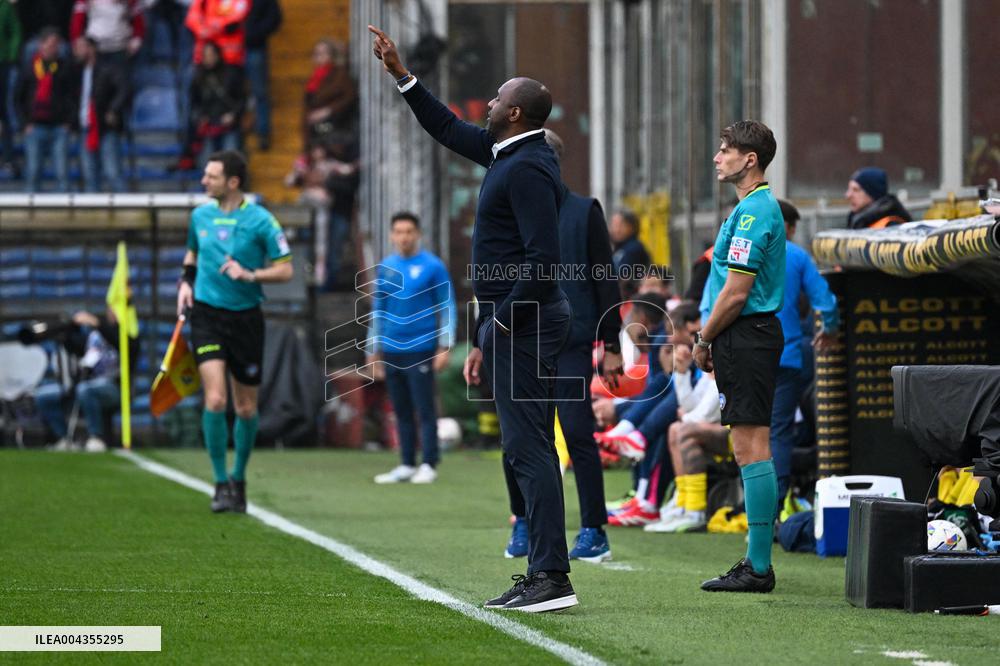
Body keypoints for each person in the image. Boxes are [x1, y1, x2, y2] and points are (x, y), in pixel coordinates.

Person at [370, 24, 577, 613]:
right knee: (522, 449)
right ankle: (544, 570)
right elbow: (444, 127)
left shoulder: (532, 166)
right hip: (510, 325)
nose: (483, 105)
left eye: (493, 99)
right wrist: (403, 75)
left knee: (530, 448)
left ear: (514, 112)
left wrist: (501, 322)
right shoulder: (507, 152)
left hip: (528, 323)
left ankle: (551, 576)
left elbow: (543, 261)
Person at [501, 128, 623, 563]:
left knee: (575, 430)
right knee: (518, 437)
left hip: (570, 342)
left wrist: (612, 344)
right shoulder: (511, 212)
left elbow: (605, 279)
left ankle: (593, 529)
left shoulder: (583, 210)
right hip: (519, 340)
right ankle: (523, 522)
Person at [693, 119, 785, 593]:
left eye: (725, 149)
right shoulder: (752, 207)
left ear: (750, 159)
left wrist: (703, 338)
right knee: (747, 445)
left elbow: (735, 293)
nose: (717, 156)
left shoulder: (753, 213)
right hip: (744, 337)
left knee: (752, 445)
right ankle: (756, 561)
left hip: (746, 334)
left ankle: (759, 567)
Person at [176, 150, 294, 514]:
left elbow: (285, 269)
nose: (203, 181)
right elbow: (192, 254)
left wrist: (250, 275)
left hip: (245, 318)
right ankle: (219, 482)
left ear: (232, 182)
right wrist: (185, 283)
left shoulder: (262, 221)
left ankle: (239, 479)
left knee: (245, 406)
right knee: (215, 399)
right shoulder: (200, 216)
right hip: (207, 315)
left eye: (210, 176)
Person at [366, 211, 457, 485]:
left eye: (409, 231)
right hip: (392, 347)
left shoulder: (433, 266)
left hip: (421, 346)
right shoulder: (386, 267)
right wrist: (372, 348)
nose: (404, 237)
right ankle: (406, 462)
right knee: (401, 408)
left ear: (417, 234)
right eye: (399, 232)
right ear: (392, 236)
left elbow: (447, 305)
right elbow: (378, 309)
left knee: (424, 407)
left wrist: (445, 345)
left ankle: (429, 462)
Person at [772, 200, 838, 502]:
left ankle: (752, 506)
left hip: (744, 356)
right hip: (784, 354)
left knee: (748, 431)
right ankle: (778, 504)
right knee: (779, 430)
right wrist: (830, 328)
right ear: (788, 227)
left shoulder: (739, 252)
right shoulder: (796, 256)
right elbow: (825, 299)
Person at [33, 309, 139, 453]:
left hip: (115, 388)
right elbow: (76, 347)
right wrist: (67, 331)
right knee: (43, 396)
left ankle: (96, 437)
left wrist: (96, 323)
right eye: (112, 309)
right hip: (83, 387)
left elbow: (119, 342)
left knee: (85, 389)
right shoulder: (94, 335)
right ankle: (63, 438)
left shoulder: (129, 335)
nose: (114, 312)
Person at [15, 27, 74, 193]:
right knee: (33, 172)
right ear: (41, 45)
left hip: (59, 127)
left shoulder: (64, 67)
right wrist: (24, 123)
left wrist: (68, 122)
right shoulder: (29, 68)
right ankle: (30, 214)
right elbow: (17, 98)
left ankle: (67, 213)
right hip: (34, 127)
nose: (53, 48)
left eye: (56, 45)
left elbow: (72, 96)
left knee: (63, 173)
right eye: (50, 44)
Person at [74, 36, 127, 192]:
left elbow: (124, 89)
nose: (76, 51)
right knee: (89, 175)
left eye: (80, 47)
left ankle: (126, 211)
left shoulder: (108, 68)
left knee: (113, 173)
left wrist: (113, 110)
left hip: (105, 128)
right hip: (85, 127)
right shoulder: (75, 71)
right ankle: (91, 214)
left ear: (91, 49)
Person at [190, 41, 244, 165]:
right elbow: (194, 102)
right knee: (208, 166)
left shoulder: (230, 74)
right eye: (205, 56)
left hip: (229, 126)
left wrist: (233, 115)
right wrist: (201, 116)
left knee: (230, 165)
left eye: (211, 55)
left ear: (218, 55)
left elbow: (242, 99)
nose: (208, 59)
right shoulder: (198, 77)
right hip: (209, 127)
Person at [301, 38, 357, 154]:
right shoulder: (313, 79)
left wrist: (328, 111)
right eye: (317, 54)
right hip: (314, 135)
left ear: (332, 55)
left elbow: (349, 97)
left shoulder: (340, 74)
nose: (320, 57)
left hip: (335, 132)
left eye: (323, 53)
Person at [244, 0, 281, 150]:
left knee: (260, 92)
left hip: (254, 48)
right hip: (226, 48)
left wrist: (253, 33)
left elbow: (275, 18)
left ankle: (263, 132)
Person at [70, 0, 144, 65]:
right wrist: (76, 40)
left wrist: (136, 41)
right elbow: (77, 19)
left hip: (120, 48)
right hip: (95, 48)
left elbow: (138, 20)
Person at [185, 0, 249, 67]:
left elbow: (235, 21)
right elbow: (192, 18)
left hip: (230, 56)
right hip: (205, 56)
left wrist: (210, 29)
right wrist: (203, 30)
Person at [845, 167, 912, 230]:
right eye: (849, 189)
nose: (848, 195)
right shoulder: (857, 220)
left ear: (872, 193)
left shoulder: (892, 227)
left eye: (856, 190)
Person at [0, 0, 22, 176]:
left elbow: (15, 32)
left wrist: (10, 56)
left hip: (2, 65)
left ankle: (8, 159)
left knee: (4, 112)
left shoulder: (5, 7)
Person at [609, 209, 651, 298]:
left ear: (632, 227)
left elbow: (619, 275)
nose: (616, 230)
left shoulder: (634, 248)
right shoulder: (618, 248)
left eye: (621, 225)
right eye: (614, 225)